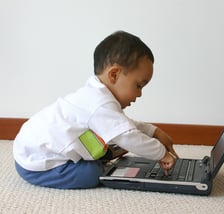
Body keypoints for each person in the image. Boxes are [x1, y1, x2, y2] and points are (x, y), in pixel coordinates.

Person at [13, 31, 179, 189]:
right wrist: (161, 154)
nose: (140, 94)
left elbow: (124, 125)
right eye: (138, 85)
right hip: (37, 162)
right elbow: (127, 136)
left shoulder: (97, 96)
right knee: (92, 173)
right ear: (114, 75)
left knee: (109, 143)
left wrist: (153, 131)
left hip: (31, 149)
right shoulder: (99, 104)